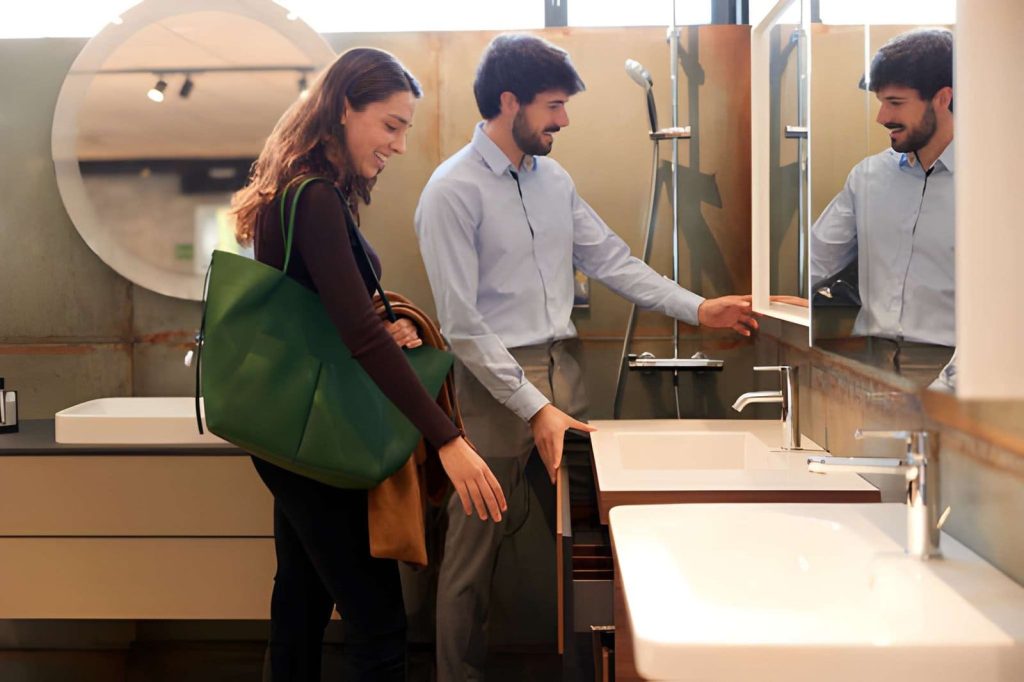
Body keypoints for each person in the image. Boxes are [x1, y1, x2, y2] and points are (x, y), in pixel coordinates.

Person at [414, 33, 760, 681]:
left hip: (563, 378)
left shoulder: (555, 180)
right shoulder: (449, 191)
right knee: (470, 559)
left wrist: (698, 308)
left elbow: (612, 261)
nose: (564, 120)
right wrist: (533, 408)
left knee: (591, 550)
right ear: (508, 101)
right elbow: (461, 324)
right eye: (553, 106)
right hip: (490, 390)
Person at [230, 47, 507, 681]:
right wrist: (449, 440)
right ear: (344, 108)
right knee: (378, 623)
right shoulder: (317, 197)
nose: (400, 144)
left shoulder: (294, 189)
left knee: (300, 603)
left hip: (291, 435)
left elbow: (335, 315)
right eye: (391, 125)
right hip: (321, 439)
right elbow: (357, 334)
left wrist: (397, 320)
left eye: (406, 127)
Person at [810, 28, 955, 348]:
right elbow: (815, 262)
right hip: (870, 364)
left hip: (956, 369)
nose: (881, 117)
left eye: (895, 103)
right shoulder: (867, 178)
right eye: (880, 102)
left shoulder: (992, 187)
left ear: (942, 98)